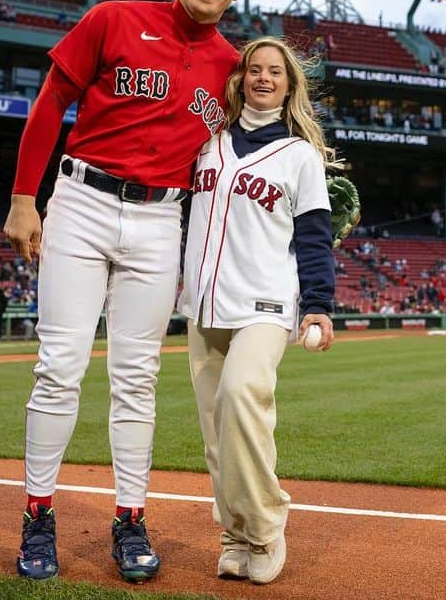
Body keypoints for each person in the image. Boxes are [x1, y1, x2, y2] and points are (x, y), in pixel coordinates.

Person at [3, 0, 251, 583]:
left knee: (137, 378)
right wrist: (25, 197)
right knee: (59, 366)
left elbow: (237, 159)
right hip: (81, 200)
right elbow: (52, 101)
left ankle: (131, 517)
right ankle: (37, 514)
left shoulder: (232, 67)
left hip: (160, 217)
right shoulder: (114, 18)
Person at [179, 37, 337, 585]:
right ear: (241, 77)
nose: (263, 78)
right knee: (217, 430)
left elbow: (315, 239)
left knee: (241, 398)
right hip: (203, 303)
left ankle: (266, 529)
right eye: (254, 69)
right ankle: (234, 535)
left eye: (275, 71)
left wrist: (318, 305)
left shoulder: (301, 156)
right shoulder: (207, 144)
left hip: (266, 302)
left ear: (290, 85)